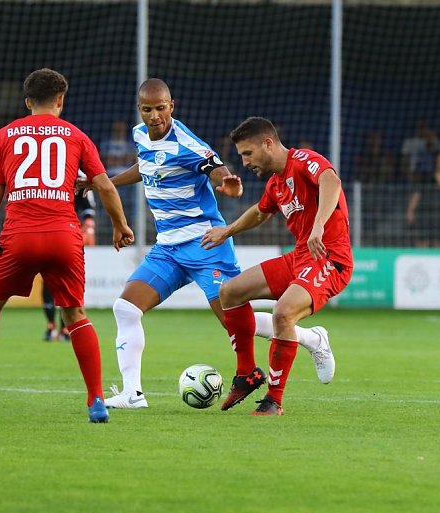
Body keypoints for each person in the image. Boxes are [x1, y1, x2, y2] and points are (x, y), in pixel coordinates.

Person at [103, 80, 313, 410]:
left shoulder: (187, 143)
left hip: (205, 244)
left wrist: (226, 183)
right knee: (125, 308)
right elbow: (146, 166)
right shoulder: (140, 135)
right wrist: (105, 183)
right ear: (139, 109)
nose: (155, 115)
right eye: (148, 109)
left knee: (234, 321)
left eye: (161, 108)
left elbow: (215, 167)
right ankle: (132, 393)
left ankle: (312, 338)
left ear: (172, 106)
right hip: (167, 248)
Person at [0, 68, 134, 423]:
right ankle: (96, 401)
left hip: (19, 236)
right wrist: (120, 226)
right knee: (75, 314)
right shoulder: (76, 136)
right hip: (64, 235)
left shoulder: (3, 136)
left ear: (27, 101)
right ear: (61, 100)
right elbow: (105, 186)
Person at [201, 117, 352, 416]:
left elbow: (331, 181)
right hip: (298, 258)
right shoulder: (276, 183)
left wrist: (318, 225)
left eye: (247, 154)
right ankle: (246, 374)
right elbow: (260, 212)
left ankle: (274, 400)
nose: (244, 162)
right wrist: (227, 231)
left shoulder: (303, 159)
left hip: (329, 258)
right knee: (229, 292)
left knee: (283, 313)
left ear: (268, 143)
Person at [42, 179, 96, 342]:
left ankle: (65, 327)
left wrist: (88, 226)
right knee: (50, 281)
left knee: (65, 281)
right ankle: (52, 326)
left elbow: (88, 209)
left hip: (68, 235)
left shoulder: (77, 177)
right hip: (50, 233)